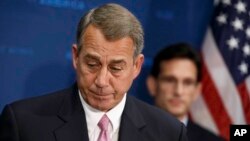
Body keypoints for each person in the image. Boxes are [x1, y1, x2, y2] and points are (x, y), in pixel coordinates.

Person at [0, 3, 187, 141]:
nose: (102, 80)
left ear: (136, 66)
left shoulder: (169, 133)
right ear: (76, 57)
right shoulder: (23, 124)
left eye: (116, 68)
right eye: (92, 64)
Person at [147, 43, 224, 141]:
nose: (178, 91)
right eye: (170, 80)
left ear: (197, 90)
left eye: (187, 82)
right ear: (152, 85)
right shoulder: (125, 134)